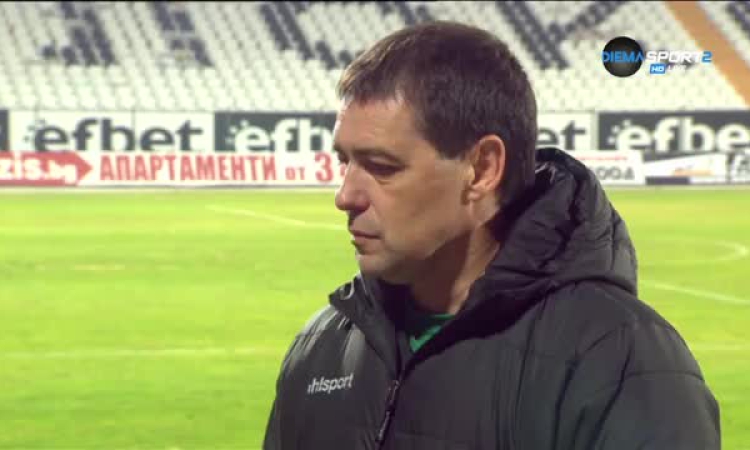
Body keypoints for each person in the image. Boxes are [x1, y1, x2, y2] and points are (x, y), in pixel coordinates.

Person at [263, 21, 720, 450]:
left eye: (382, 167)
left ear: (481, 169)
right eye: (344, 161)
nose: (345, 196)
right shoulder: (321, 347)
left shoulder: (620, 361)